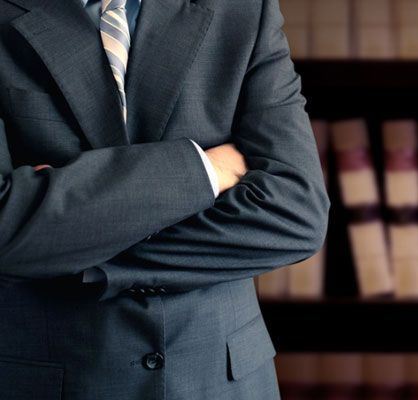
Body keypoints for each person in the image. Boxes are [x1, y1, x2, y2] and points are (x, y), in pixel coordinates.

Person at [0, 0, 330, 398]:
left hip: (221, 381)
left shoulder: (243, 9)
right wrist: (204, 169)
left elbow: (296, 214)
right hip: (49, 381)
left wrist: (70, 242)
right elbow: (6, 228)